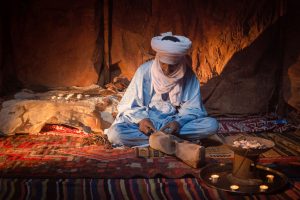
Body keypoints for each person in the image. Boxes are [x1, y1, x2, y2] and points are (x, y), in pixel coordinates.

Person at [105, 32, 218, 147]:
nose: (167, 69)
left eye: (173, 65)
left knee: (211, 125)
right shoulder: (144, 71)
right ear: (158, 59)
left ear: (180, 62)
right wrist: (141, 120)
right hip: (147, 123)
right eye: (163, 64)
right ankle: (171, 141)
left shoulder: (188, 75)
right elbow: (130, 105)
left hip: (173, 123)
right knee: (115, 134)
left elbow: (193, 109)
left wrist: (178, 123)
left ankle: (158, 140)